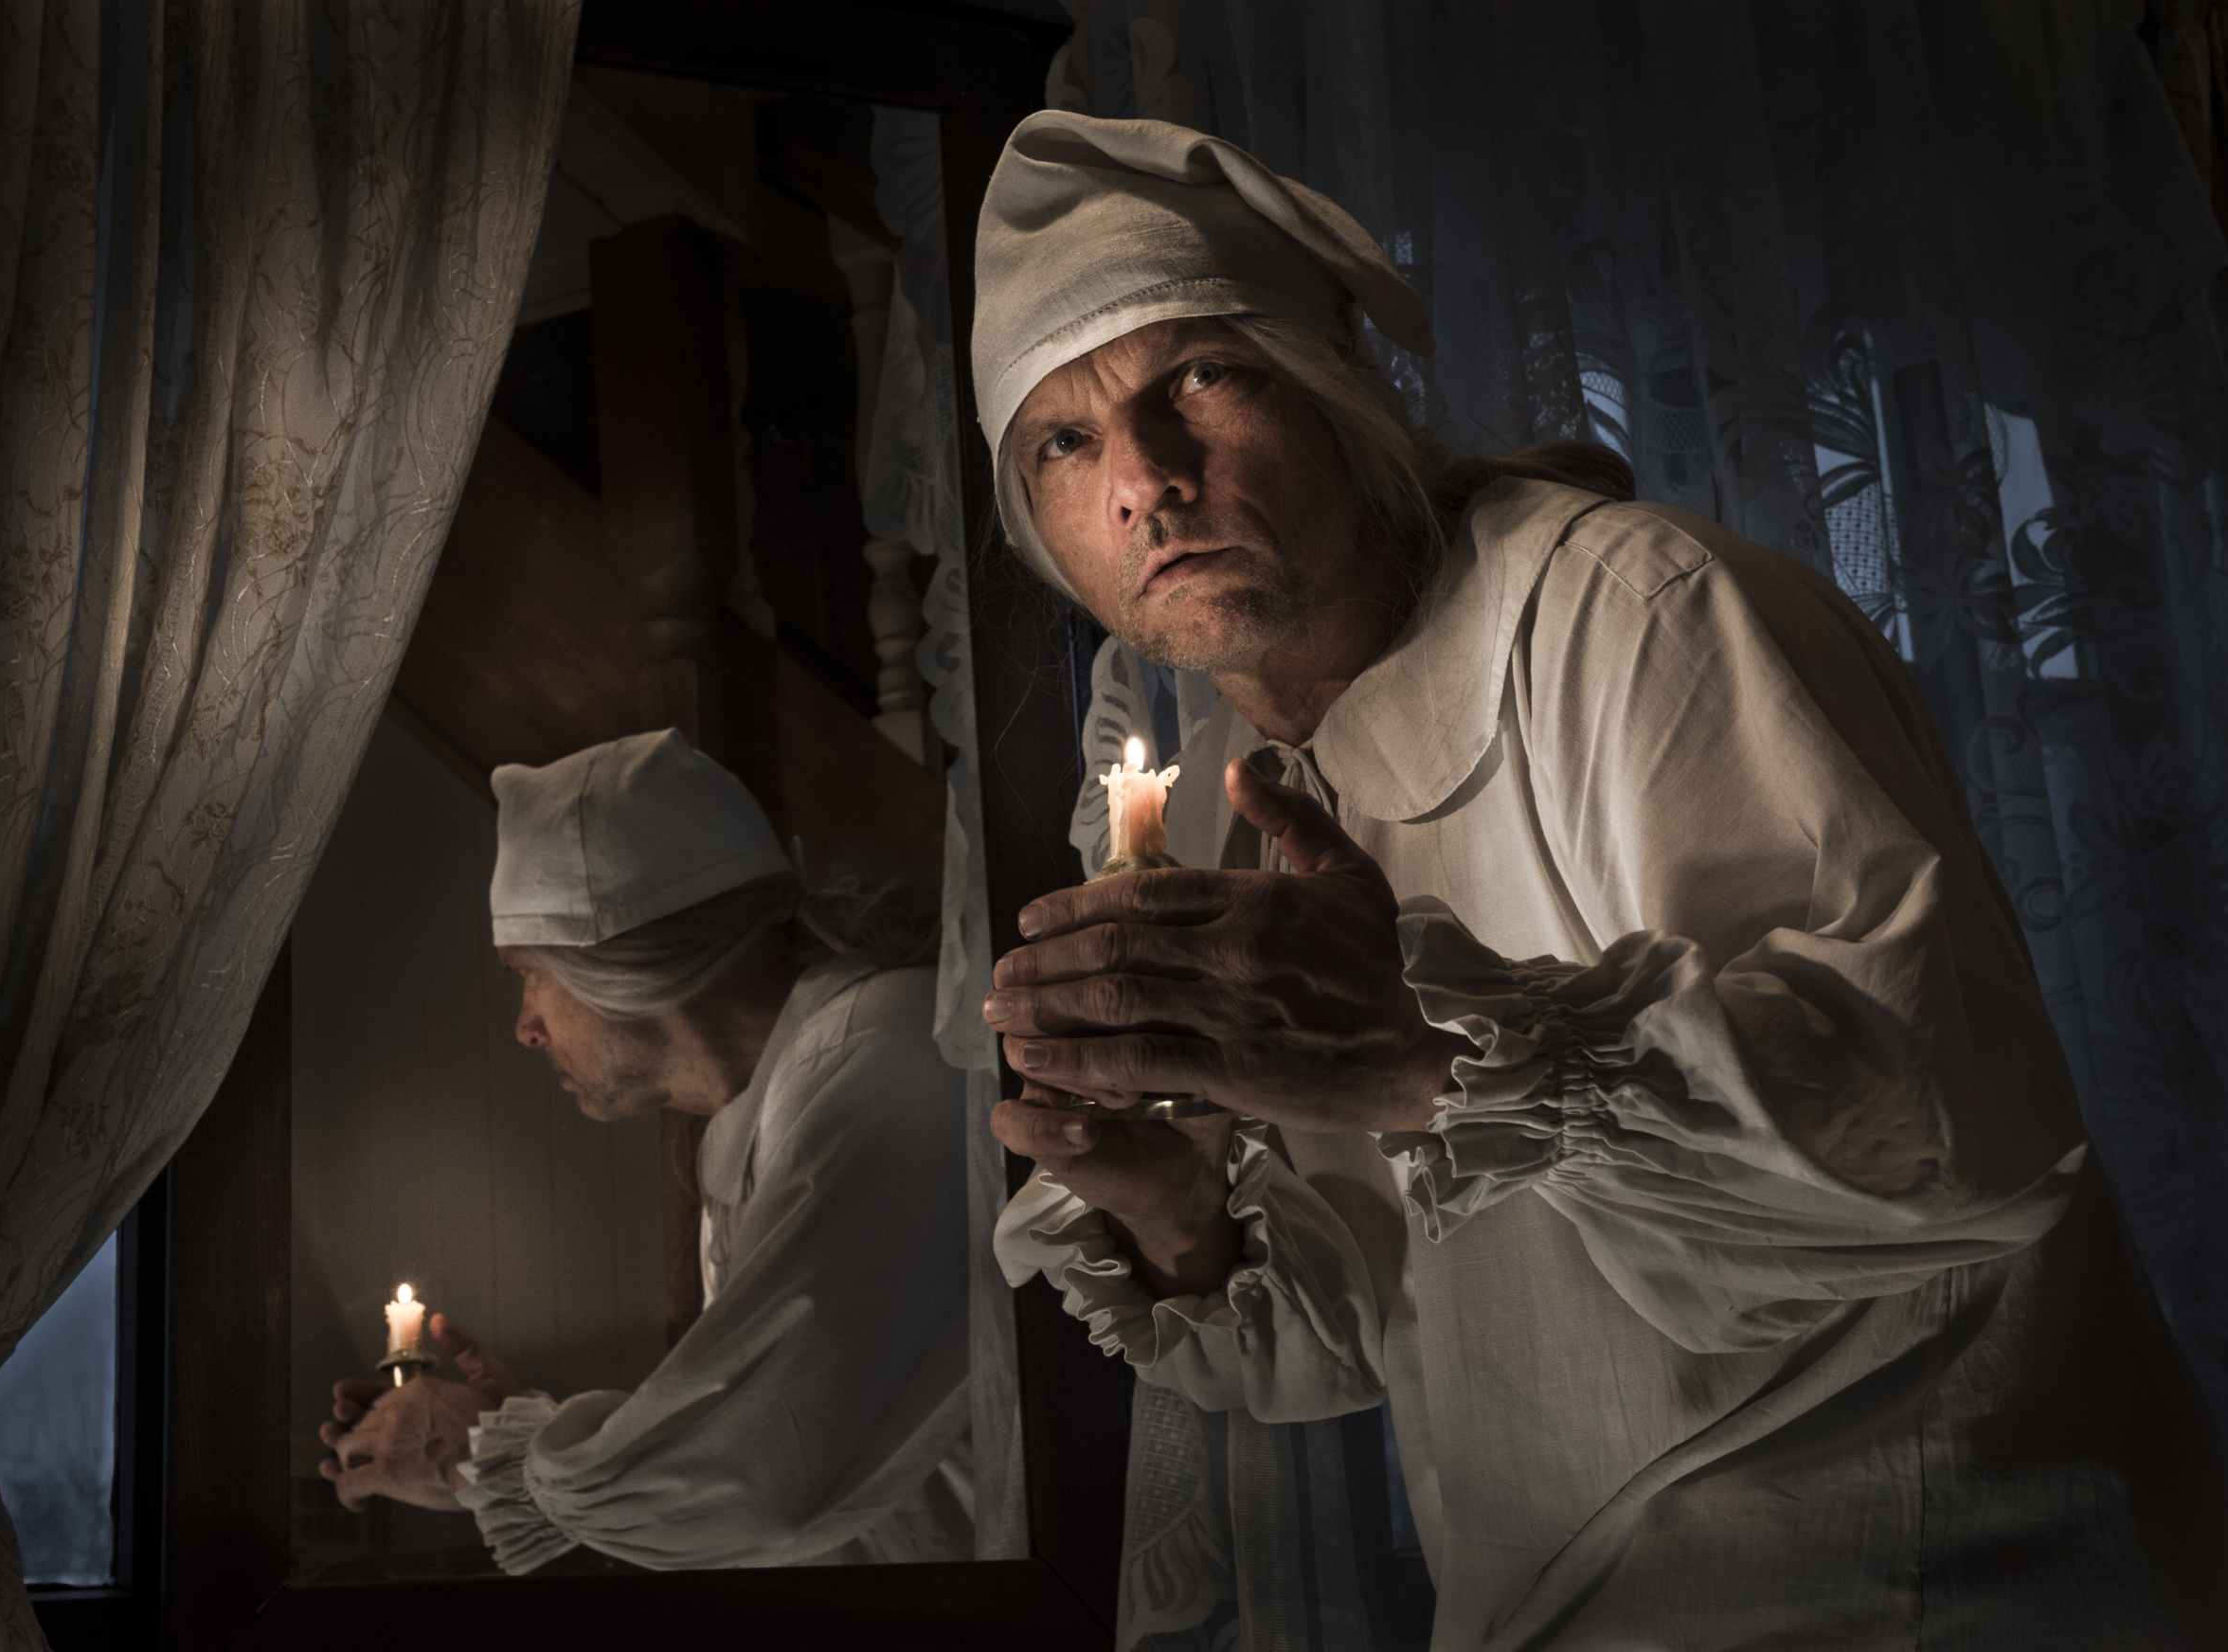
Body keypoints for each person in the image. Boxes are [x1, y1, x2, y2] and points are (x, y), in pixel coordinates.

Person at [978, 113, 2228, 1648]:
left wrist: (1430, 1056)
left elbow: (1935, 1136)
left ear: (1338, 387)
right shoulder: (1251, 776)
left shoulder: (1638, 612)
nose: (1145, 481)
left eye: (1199, 377)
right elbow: (1380, 1329)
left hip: (1915, 1582)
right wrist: (1180, 1215)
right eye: (1063, 441)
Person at [315, 730, 972, 1571]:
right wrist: (520, 1444)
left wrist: (487, 1455)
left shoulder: (878, 1058)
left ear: (627, 958)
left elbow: (756, 1475)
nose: (525, 1028)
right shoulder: (768, 1102)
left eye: (530, 973)